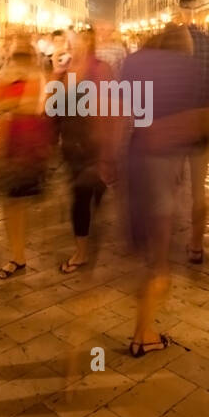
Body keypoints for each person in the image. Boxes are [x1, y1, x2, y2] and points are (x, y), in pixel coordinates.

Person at [121, 24, 201, 355]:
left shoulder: (135, 63)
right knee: (159, 259)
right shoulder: (188, 70)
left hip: (135, 163)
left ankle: (143, 328)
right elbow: (197, 123)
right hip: (163, 168)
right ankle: (143, 334)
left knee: (146, 251)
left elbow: (119, 113)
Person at [0, 34, 51, 279]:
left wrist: (6, 101)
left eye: (21, 52)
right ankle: (17, 254)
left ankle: (18, 255)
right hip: (7, 143)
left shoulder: (36, 76)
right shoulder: (4, 74)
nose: (17, 57)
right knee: (10, 203)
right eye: (15, 52)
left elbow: (31, 106)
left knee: (17, 202)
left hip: (26, 144)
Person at [57, 28, 119, 272]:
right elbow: (56, 104)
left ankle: (81, 253)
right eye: (72, 42)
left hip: (92, 143)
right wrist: (55, 73)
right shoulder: (68, 68)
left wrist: (106, 147)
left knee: (80, 196)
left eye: (79, 42)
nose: (73, 46)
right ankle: (84, 242)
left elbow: (109, 107)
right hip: (71, 142)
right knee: (82, 194)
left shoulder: (100, 69)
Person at [174, 0, 209, 264]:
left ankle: (163, 238)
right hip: (201, 122)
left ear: (179, 11)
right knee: (198, 189)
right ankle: (196, 244)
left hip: (173, 123)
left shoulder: (170, 43)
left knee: (168, 184)